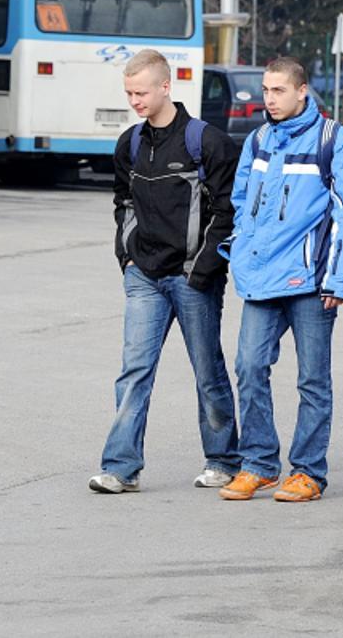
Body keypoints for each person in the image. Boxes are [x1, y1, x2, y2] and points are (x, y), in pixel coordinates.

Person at [216, 57, 343, 502]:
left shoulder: (334, 141)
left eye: (278, 90)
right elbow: (242, 200)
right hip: (261, 279)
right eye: (265, 90)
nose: (269, 99)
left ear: (303, 90)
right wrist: (240, 250)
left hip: (310, 282)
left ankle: (307, 472)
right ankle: (260, 464)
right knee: (248, 368)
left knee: (313, 380)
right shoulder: (260, 139)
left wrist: (340, 280)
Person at [89, 49, 241, 494]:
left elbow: (228, 211)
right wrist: (127, 259)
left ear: (165, 87)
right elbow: (123, 203)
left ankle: (223, 460)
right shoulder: (130, 144)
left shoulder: (205, 142)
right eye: (129, 93)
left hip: (193, 277)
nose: (134, 100)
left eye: (141, 92)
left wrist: (203, 268)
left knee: (207, 370)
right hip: (144, 278)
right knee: (133, 371)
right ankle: (121, 468)